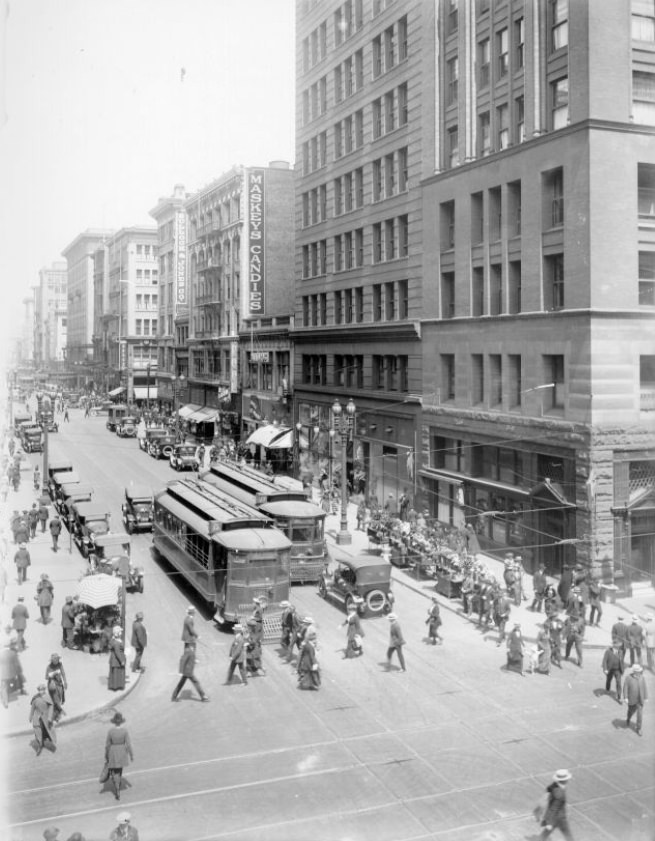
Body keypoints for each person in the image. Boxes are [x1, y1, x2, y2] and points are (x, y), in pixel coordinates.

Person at [104, 711, 134, 800]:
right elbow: (128, 744)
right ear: (121, 722)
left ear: (114, 722)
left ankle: (116, 784)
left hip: (113, 751)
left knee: (113, 770)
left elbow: (107, 745)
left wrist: (106, 755)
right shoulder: (125, 731)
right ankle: (118, 782)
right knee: (119, 770)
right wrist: (131, 755)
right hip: (122, 751)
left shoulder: (110, 731)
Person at [537, 769, 573, 840]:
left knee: (545, 834)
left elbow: (549, 789)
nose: (568, 780)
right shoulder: (560, 794)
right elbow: (554, 808)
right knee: (567, 834)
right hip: (559, 818)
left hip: (554, 817)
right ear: (564, 780)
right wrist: (549, 823)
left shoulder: (554, 786)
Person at [30, 683, 56, 756]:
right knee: (38, 731)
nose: (42, 691)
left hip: (46, 717)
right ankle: (39, 745)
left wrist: (50, 717)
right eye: (40, 690)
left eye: (43, 690)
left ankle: (48, 742)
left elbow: (51, 707)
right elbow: (33, 706)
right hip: (39, 718)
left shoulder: (47, 697)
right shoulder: (36, 697)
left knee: (47, 730)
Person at [623, 663, 648, 736]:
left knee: (640, 714)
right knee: (631, 711)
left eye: (640, 671)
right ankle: (628, 718)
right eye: (638, 671)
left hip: (640, 699)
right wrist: (626, 697)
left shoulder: (642, 677)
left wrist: (646, 697)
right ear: (634, 671)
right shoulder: (628, 678)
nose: (640, 672)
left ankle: (639, 728)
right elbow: (625, 688)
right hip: (632, 699)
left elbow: (644, 687)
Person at [45, 653, 67, 723]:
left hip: (60, 685)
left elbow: (63, 673)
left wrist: (65, 682)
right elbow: (46, 677)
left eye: (58, 659)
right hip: (53, 686)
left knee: (59, 700)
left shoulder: (60, 664)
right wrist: (52, 674)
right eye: (55, 659)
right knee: (56, 701)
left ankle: (56, 715)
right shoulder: (49, 667)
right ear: (52, 660)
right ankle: (57, 716)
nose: (57, 660)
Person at [108, 627, 126, 691]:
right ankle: (116, 686)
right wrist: (122, 661)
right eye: (120, 632)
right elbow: (117, 653)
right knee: (117, 673)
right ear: (117, 633)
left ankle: (114, 685)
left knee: (115, 673)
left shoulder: (114, 640)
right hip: (117, 660)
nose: (121, 633)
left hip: (113, 659)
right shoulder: (117, 643)